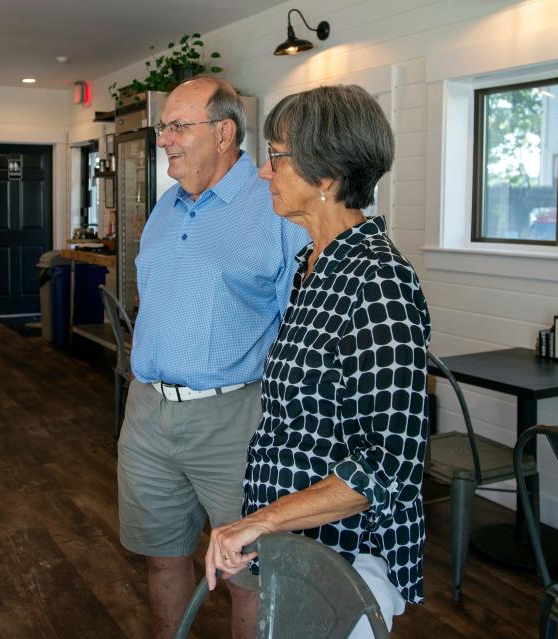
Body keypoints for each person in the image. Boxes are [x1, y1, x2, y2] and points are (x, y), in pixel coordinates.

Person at [204, 84, 430, 637]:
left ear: (327, 176)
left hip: (346, 561)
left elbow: (387, 464)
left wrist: (259, 521)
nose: (263, 172)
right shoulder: (314, 262)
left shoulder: (379, 281)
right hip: (296, 546)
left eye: (276, 156)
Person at [118, 76, 309, 639]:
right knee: (161, 554)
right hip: (147, 412)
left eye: (179, 126)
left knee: (250, 570)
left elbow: (297, 328)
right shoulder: (166, 206)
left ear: (224, 132)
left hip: (235, 419)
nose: (165, 140)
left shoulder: (274, 207)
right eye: (163, 127)